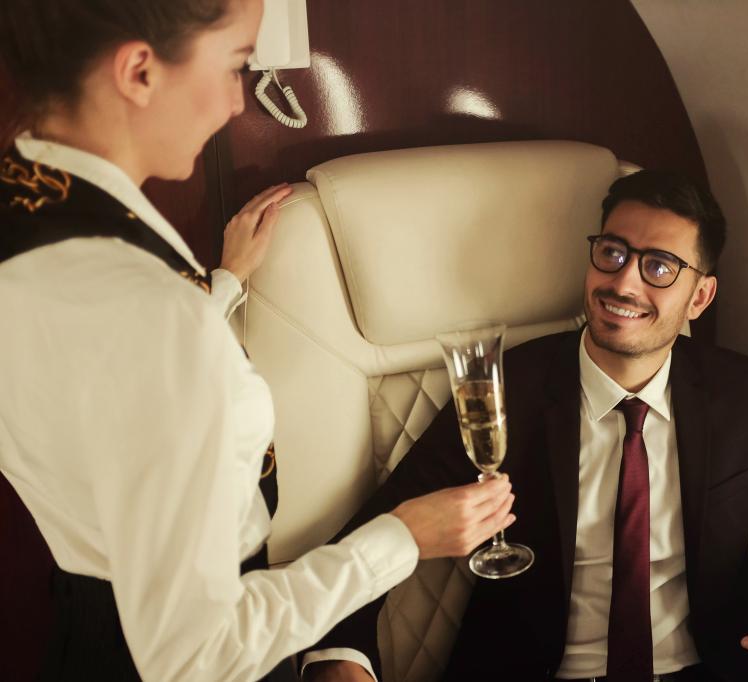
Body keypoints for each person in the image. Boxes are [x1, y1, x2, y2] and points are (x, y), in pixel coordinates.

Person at [0, 1, 515, 680]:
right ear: (140, 71)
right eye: (237, 63)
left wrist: (221, 286)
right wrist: (402, 539)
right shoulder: (153, 315)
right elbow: (197, 654)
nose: (238, 101)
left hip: (85, 631)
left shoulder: (27, 216)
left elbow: (102, 383)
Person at [306, 170, 748, 682]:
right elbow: (378, 530)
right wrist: (340, 658)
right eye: (612, 252)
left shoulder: (738, 393)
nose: (624, 283)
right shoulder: (508, 386)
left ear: (700, 296)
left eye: (659, 266)